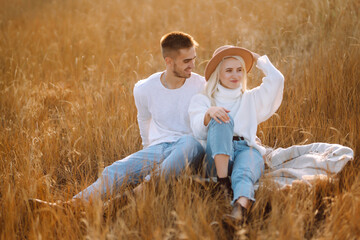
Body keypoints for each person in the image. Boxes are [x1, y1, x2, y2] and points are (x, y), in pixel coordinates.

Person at [30, 31, 206, 208]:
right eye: (186, 61)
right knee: (116, 169)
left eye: (193, 59)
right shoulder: (145, 88)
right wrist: (147, 150)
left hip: (190, 147)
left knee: (189, 142)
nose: (192, 65)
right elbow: (143, 119)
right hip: (161, 146)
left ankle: (132, 197)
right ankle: (69, 206)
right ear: (169, 61)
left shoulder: (201, 85)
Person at [188, 45, 284, 225]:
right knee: (222, 118)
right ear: (218, 73)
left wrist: (255, 58)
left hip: (246, 148)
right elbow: (198, 131)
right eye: (229, 70)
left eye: (240, 70)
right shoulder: (204, 99)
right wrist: (209, 112)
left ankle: (239, 212)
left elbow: (277, 79)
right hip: (216, 156)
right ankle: (222, 182)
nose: (235, 75)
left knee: (244, 173)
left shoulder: (250, 97)